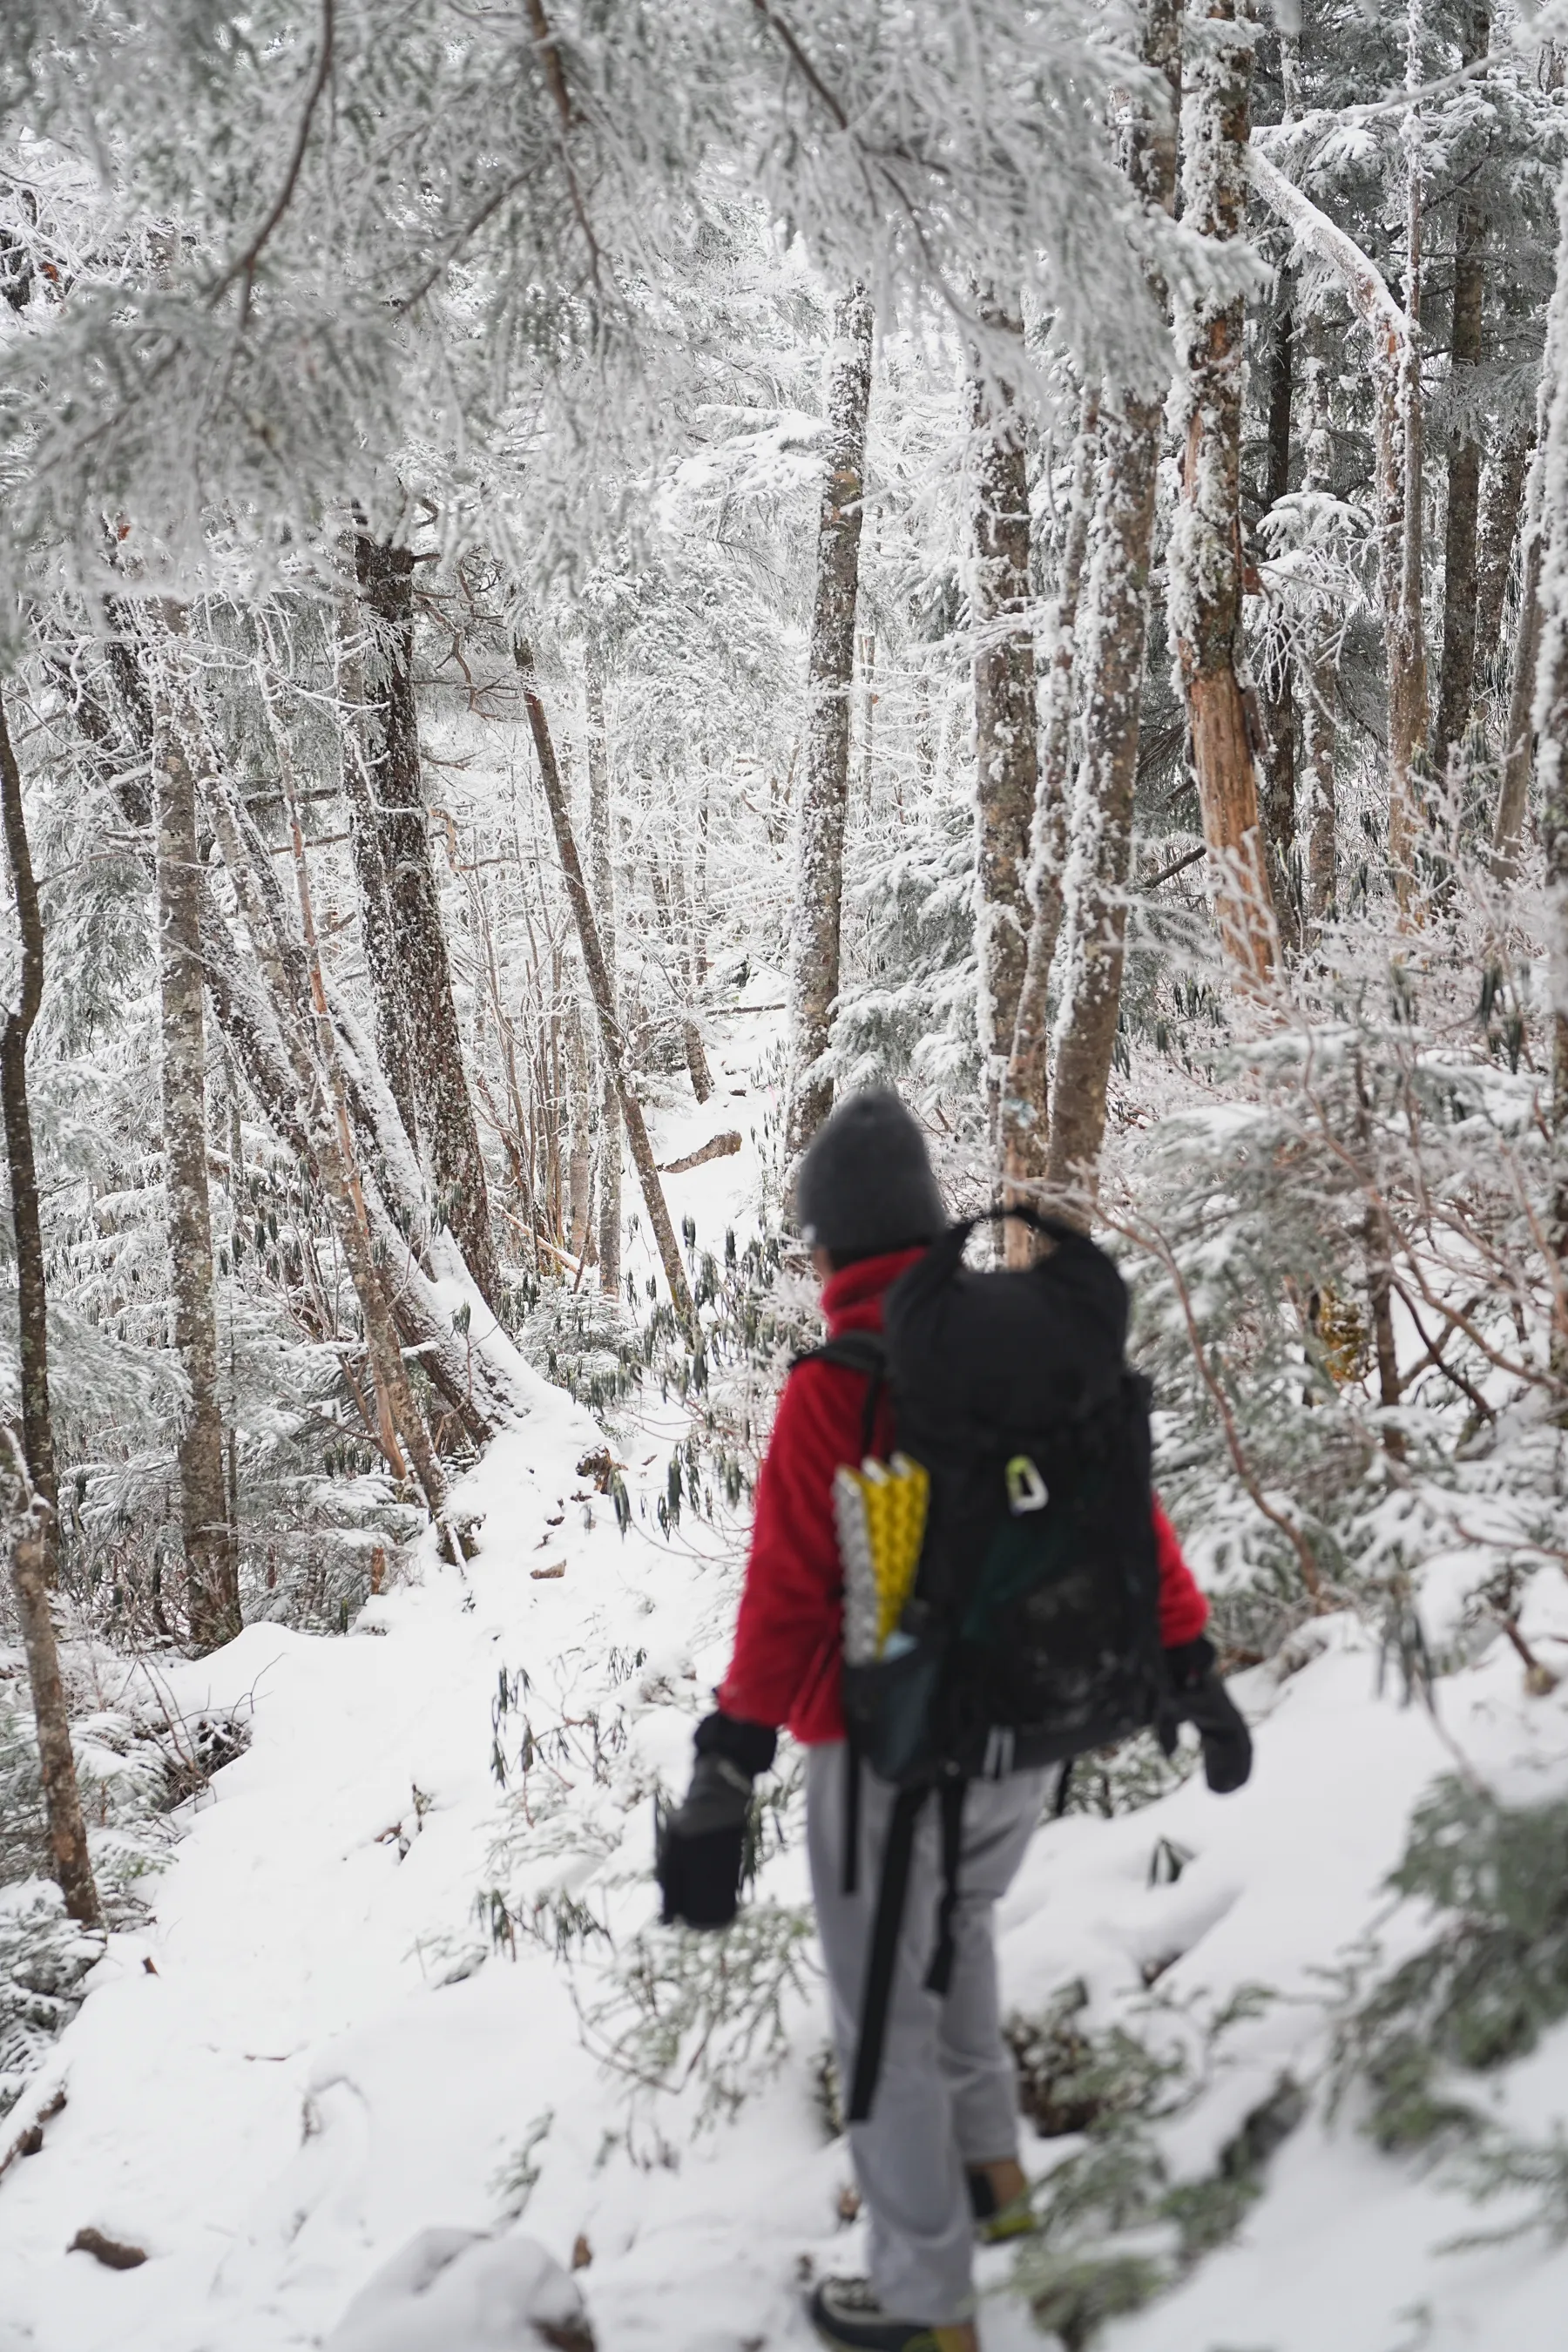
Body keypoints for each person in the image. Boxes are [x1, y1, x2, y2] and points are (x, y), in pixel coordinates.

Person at [655, 1090, 1251, 2352]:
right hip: (1029, 1740)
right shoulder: (1021, 1347)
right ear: (932, 1228)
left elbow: (785, 1597)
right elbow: (1126, 1517)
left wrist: (728, 1758)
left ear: (824, 1250)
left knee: (884, 2033)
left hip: (887, 1758)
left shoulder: (838, 1384)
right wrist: (1189, 1660)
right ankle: (1001, 2191)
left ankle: (929, 2306)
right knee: (958, 1947)